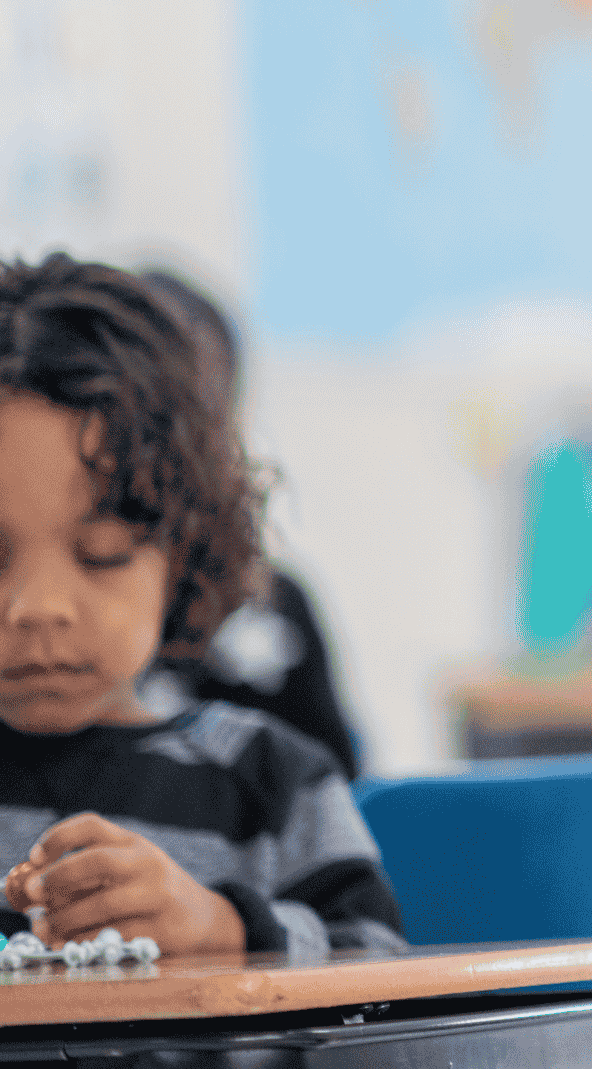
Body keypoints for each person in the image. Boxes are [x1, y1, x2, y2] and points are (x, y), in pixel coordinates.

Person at [0, 255, 403, 958]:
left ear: (183, 552)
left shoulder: (269, 784)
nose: (37, 608)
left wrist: (227, 929)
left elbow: (380, 966)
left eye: (103, 553)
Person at [137, 268, 364, 779]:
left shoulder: (277, 606)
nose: (175, 445)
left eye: (204, 410)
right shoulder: (56, 618)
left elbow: (342, 795)